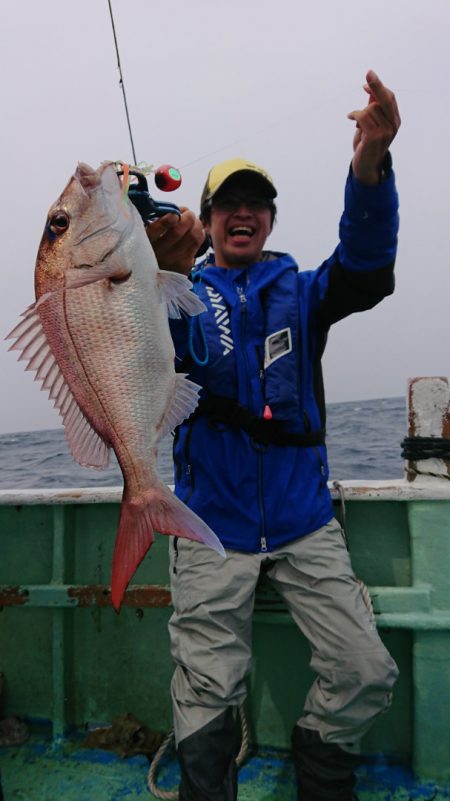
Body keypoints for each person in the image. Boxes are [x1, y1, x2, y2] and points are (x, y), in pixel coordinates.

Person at [148, 69, 401, 801]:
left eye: (257, 204)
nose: (243, 213)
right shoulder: (176, 291)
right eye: (228, 203)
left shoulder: (306, 291)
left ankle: (317, 756)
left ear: (271, 220)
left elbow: (368, 270)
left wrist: (369, 168)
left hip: (301, 520)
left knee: (366, 668)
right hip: (211, 523)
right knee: (207, 689)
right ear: (204, 219)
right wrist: (161, 266)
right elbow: (139, 348)